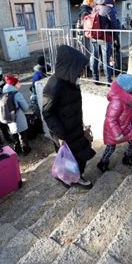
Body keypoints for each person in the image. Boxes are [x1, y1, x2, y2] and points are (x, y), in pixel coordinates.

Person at [43, 45, 96, 188]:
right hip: (64, 132)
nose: (81, 72)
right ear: (69, 65)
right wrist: (60, 135)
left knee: (80, 154)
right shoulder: (54, 85)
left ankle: (70, 176)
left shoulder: (71, 80)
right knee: (72, 158)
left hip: (75, 126)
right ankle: (75, 178)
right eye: (79, 68)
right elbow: (47, 112)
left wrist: (82, 123)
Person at [97, 74, 132, 172]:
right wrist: (117, 134)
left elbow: (127, 108)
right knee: (111, 148)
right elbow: (110, 119)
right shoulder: (117, 102)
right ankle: (103, 163)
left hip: (125, 126)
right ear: (127, 89)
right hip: (114, 130)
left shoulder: (127, 98)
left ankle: (127, 158)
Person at [90, 0, 118, 84]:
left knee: (95, 57)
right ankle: (108, 80)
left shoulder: (96, 6)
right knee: (106, 59)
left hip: (94, 36)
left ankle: (95, 78)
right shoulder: (109, 9)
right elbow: (114, 26)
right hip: (105, 37)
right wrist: (115, 37)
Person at [2, 74, 32, 155]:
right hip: (18, 118)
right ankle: (26, 150)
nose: (20, 84)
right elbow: (25, 108)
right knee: (22, 135)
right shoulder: (16, 94)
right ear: (14, 85)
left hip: (9, 119)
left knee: (15, 135)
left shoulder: (4, 94)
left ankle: (17, 149)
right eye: (18, 83)